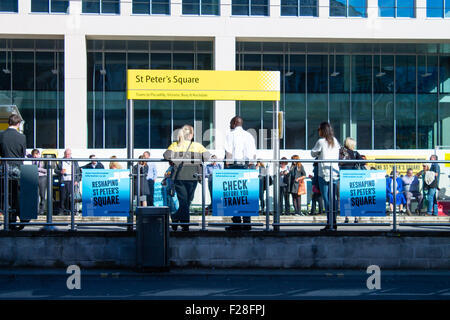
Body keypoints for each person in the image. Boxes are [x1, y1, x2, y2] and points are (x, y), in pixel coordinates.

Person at [163, 124, 210, 231]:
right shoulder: (197, 146)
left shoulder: (175, 145)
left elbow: (166, 155)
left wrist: (174, 159)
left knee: (185, 201)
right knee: (187, 201)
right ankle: (185, 224)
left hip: (179, 176)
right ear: (191, 135)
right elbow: (207, 157)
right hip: (193, 176)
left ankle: (176, 218)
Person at [224, 116, 257, 231]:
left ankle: (237, 223)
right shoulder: (249, 135)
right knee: (246, 195)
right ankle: (247, 223)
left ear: (234, 123)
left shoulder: (230, 134)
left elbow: (228, 152)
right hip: (248, 166)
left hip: (234, 166)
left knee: (235, 195)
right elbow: (253, 154)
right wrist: (251, 166)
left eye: (230, 123)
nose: (229, 126)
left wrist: (226, 166)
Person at [0, 114, 29, 230]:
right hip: (17, 169)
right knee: (17, 194)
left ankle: (10, 220)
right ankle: (22, 218)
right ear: (18, 124)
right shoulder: (22, 137)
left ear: (8, 122)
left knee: (6, 195)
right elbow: (22, 154)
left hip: (4, 168)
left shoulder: (1, 135)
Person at [311, 122, 340, 231]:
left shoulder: (321, 142)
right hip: (334, 172)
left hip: (323, 172)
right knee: (333, 198)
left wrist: (318, 154)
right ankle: (334, 221)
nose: (318, 131)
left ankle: (329, 222)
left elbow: (313, 153)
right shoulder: (335, 141)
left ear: (322, 130)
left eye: (319, 129)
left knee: (327, 198)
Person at [339, 137, 364, 223]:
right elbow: (363, 162)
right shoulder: (354, 153)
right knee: (355, 197)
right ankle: (356, 217)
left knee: (346, 197)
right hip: (353, 176)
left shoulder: (341, 151)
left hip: (344, 176)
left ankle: (346, 217)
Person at [55, 148, 81, 215]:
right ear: (64, 154)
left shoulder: (74, 161)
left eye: (69, 154)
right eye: (66, 154)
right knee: (62, 196)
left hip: (71, 181)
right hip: (63, 181)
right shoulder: (60, 161)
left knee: (70, 196)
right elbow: (55, 170)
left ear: (71, 154)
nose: (67, 155)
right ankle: (62, 210)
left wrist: (77, 180)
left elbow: (78, 172)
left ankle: (70, 210)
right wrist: (60, 172)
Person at [31, 149, 47, 215]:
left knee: (42, 194)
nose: (35, 157)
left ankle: (42, 209)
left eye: (35, 155)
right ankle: (36, 209)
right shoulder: (31, 160)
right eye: (33, 156)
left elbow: (47, 170)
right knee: (35, 194)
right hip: (34, 177)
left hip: (42, 177)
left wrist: (38, 169)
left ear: (38, 154)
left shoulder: (43, 160)